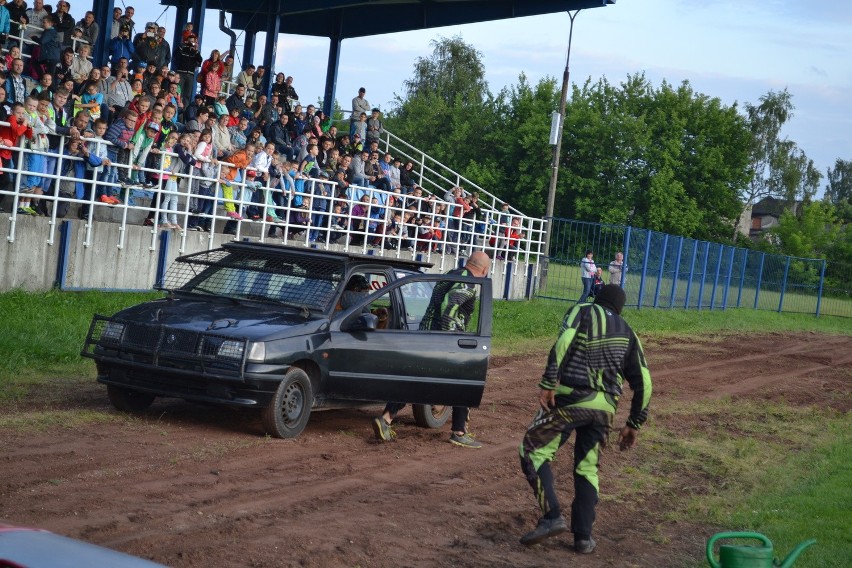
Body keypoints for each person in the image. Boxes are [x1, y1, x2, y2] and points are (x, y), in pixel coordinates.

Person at [518, 284, 652, 554]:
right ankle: (583, 538)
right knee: (587, 468)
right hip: (605, 409)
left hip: (571, 398)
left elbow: (564, 341)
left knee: (532, 450)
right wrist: (634, 422)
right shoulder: (628, 332)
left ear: (597, 299)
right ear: (620, 308)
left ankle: (551, 516)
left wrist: (548, 380)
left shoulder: (583, 311)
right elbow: (645, 382)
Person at [371, 251, 492, 448]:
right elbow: (450, 306)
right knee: (464, 382)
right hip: (443, 338)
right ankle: (459, 432)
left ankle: (385, 419)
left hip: (425, 334)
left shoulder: (452, 273)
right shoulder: (468, 283)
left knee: (414, 379)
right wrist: (449, 340)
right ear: (485, 270)